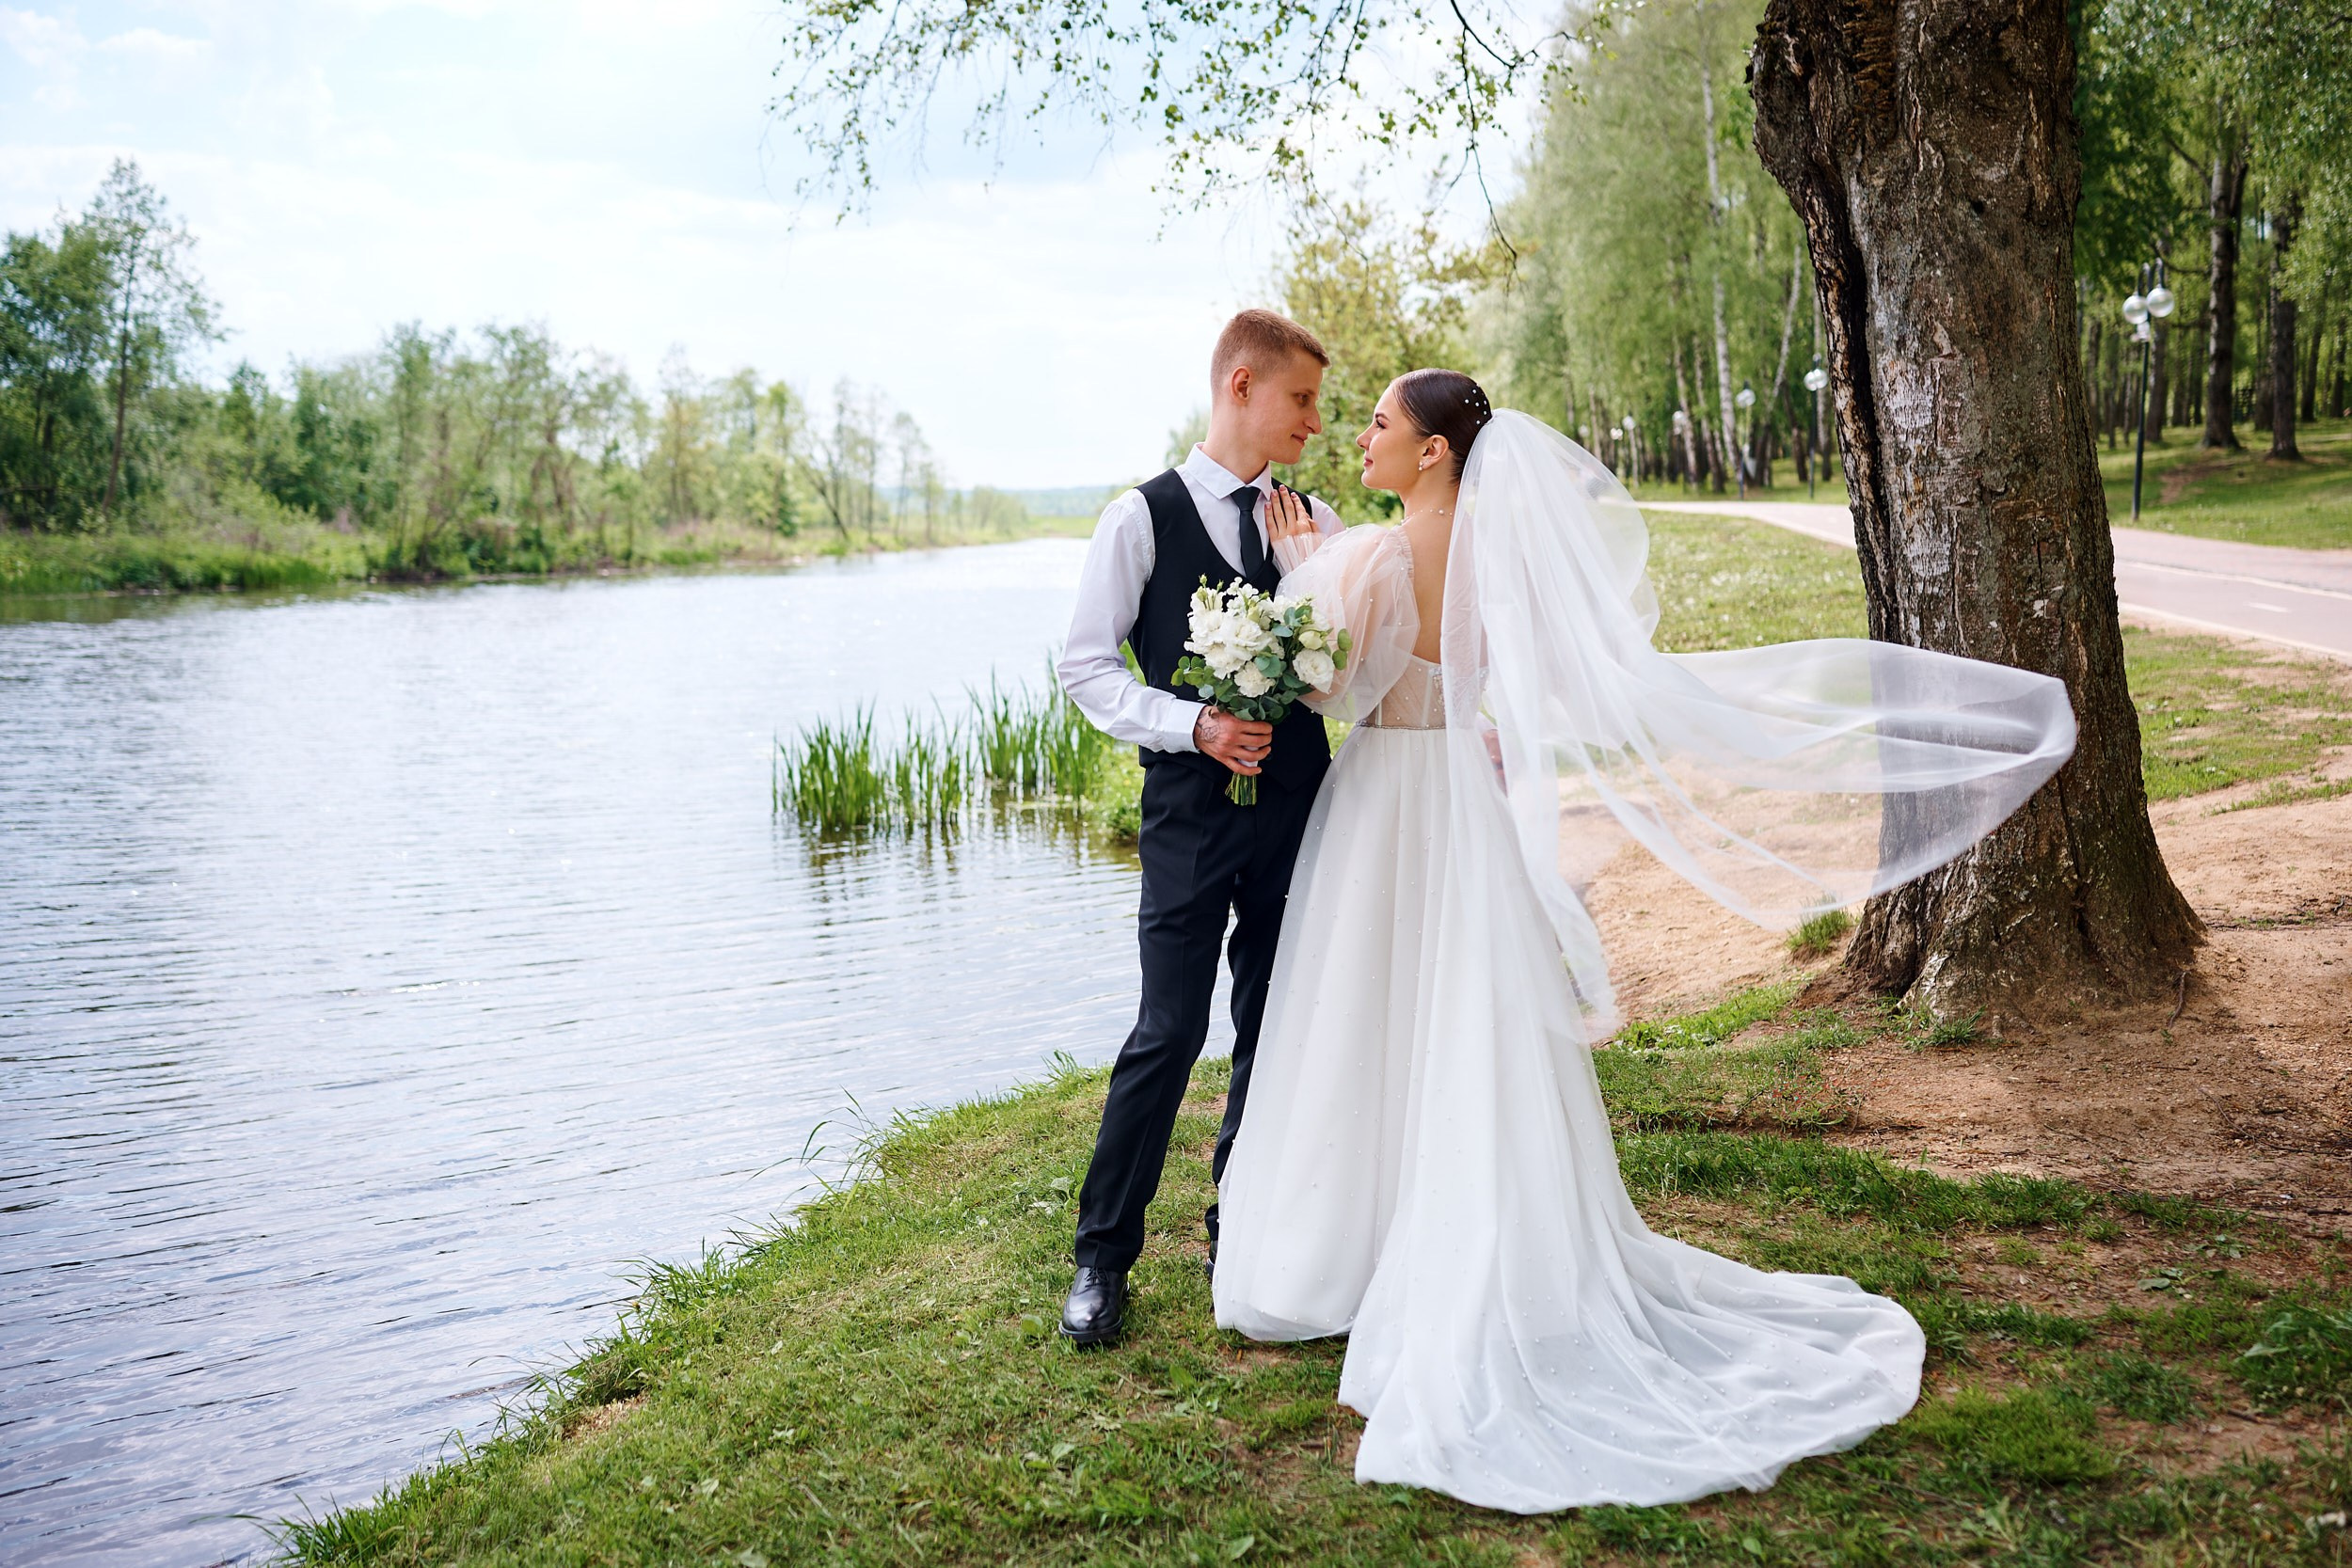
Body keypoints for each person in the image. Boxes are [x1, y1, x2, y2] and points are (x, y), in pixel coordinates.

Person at [1213, 370, 2078, 1511]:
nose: (1361, 437)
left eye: (1379, 423)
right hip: (1458, 809)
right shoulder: (1494, 557)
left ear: (1431, 453)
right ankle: (1426, 1240)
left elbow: (1337, 690)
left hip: (1383, 801)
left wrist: (1292, 580)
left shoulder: (1373, 555)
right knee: (1457, 1012)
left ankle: (1344, 1251)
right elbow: (1491, 689)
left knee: (1364, 1010)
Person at [1053, 309, 1346, 1345]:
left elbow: (1353, 657)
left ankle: (1242, 1219)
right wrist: (1192, 723)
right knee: (1169, 1028)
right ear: (1240, 388)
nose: (1314, 418)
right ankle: (1100, 1256)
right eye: (1300, 398)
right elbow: (1083, 666)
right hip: (1186, 813)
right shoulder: (1139, 518)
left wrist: (1313, 573)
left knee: (1272, 1017)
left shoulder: (1313, 517)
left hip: (1300, 806)